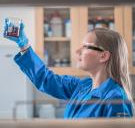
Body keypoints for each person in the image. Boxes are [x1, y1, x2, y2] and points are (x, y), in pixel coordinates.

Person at [3, 19, 134, 118]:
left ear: (103, 56)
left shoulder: (116, 99)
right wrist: (24, 45)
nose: (78, 51)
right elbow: (47, 79)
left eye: (86, 47)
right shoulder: (83, 86)